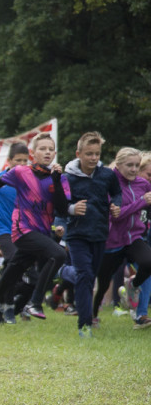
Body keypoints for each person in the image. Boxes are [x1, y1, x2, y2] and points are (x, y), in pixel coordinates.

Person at [0, 132, 70, 334]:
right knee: (59, 254)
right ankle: (35, 302)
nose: (47, 152)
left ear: (55, 153)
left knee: (8, 277)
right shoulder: (21, 172)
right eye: (42, 148)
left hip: (41, 234)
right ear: (33, 153)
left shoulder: (60, 178)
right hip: (22, 231)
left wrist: (57, 181)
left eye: (51, 149)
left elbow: (61, 208)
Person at [57, 132, 122, 337]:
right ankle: (84, 325)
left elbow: (117, 193)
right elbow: (59, 205)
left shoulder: (107, 175)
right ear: (78, 154)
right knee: (85, 277)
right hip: (77, 233)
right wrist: (72, 209)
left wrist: (116, 205)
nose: (93, 158)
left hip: (100, 232)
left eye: (96, 154)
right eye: (89, 154)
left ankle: (64, 272)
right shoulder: (68, 178)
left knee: (88, 275)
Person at [92, 147, 151, 328]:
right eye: (129, 165)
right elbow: (115, 216)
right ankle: (93, 314)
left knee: (148, 262)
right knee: (103, 283)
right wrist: (141, 202)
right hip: (113, 241)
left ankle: (133, 287)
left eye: (136, 165)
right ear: (118, 165)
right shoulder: (109, 185)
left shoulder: (142, 183)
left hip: (133, 237)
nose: (133, 169)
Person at [0, 142, 29, 325]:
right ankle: (9, 307)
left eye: (24, 161)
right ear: (9, 161)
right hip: (3, 230)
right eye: (17, 160)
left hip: (23, 230)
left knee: (14, 270)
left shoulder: (30, 180)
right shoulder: (0, 178)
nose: (21, 164)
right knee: (14, 262)